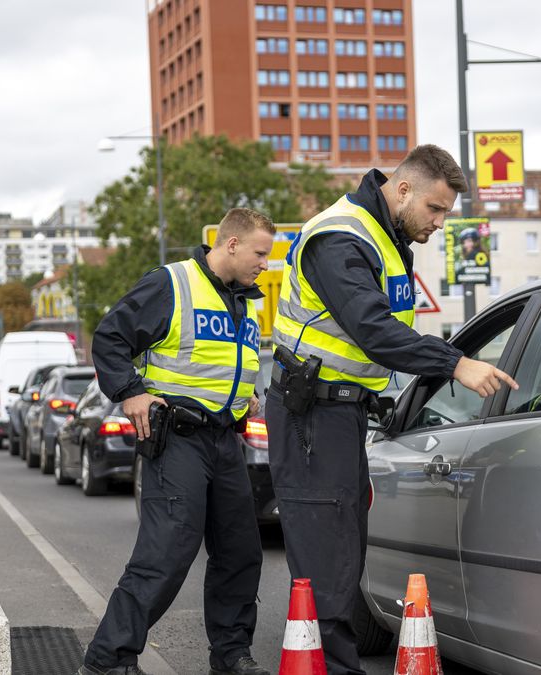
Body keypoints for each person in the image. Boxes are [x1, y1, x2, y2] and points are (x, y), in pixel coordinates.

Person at [267, 144, 518, 675]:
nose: (440, 221)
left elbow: (376, 339)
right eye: (436, 208)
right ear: (403, 189)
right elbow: (374, 329)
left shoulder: (385, 237)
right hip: (311, 415)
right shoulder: (341, 236)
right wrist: (455, 364)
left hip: (341, 413)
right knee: (326, 564)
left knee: (341, 554)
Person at [78, 208, 276, 675]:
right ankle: (109, 660)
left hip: (226, 441)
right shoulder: (173, 284)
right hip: (178, 439)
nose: (265, 264)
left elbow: (224, 363)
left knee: (240, 554)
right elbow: (109, 338)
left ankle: (230, 657)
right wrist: (130, 391)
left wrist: (244, 393)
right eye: (260, 253)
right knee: (165, 554)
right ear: (230, 244)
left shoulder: (242, 299)